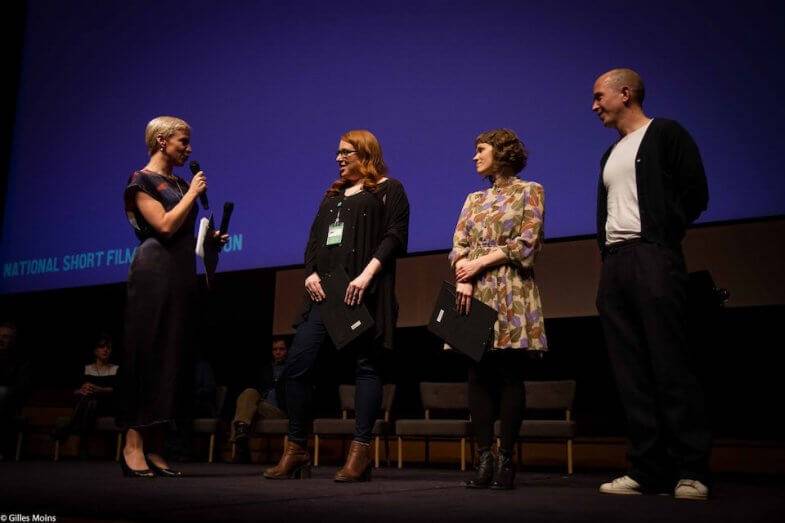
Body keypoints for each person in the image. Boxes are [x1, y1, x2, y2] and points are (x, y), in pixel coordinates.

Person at [591, 68, 712, 500]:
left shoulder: (665, 134)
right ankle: (646, 469)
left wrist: (663, 234)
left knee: (669, 363)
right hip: (617, 264)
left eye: (599, 96)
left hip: (654, 256)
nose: (594, 105)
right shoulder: (611, 154)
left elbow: (696, 193)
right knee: (630, 372)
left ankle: (691, 471)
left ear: (625, 94)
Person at [264, 129, 409, 482]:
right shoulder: (332, 197)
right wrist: (309, 273)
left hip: (363, 293)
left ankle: (359, 454)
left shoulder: (388, 190)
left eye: (346, 152)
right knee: (297, 367)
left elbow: (395, 237)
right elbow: (314, 242)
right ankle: (296, 449)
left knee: (366, 369)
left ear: (366, 154)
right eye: (338, 153)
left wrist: (366, 277)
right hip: (323, 295)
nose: (338, 158)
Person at [118, 116, 226, 478]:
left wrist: (209, 241)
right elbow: (163, 225)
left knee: (173, 358)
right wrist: (194, 194)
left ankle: (156, 445)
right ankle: (132, 445)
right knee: (146, 353)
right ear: (162, 141)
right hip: (153, 271)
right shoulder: (141, 180)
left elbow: (181, 230)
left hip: (181, 272)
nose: (189, 148)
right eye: (183, 141)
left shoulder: (179, 181)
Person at [449, 129, 547, 490]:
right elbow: (458, 242)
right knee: (476, 375)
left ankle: (507, 459)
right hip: (474, 291)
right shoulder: (473, 199)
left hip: (511, 288)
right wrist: (463, 275)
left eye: (481, 150)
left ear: (502, 153)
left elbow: (527, 243)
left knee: (508, 374)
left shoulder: (529, 191)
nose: (474, 157)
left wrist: (479, 263)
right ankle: (484, 459)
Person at [53, 333, 119, 457]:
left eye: (108, 347)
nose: (105, 350)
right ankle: (81, 442)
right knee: (89, 401)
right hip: (88, 403)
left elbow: (117, 391)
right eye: (102, 347)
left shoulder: (116, 369)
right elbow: (74, 391)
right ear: (95, 350)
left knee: (90, 401)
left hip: (107, 405)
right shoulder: (85, 369)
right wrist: (82, 390)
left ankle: (68, 429)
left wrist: (99, 389)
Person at [230, 337, 288, 464]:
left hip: (279, 412)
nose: (278, 352)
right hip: (262, 409)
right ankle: (242, 433)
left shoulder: (292, 369)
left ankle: (241, 447)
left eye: (281, 349)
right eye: (275, 349)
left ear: (287, 351)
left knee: (245, 406)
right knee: (248, 395)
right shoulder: (266, 370)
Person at [0, 321, 31, 461]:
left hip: (11, 401)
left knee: (2, 392)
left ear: (13, 340)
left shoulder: (21, 360)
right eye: (0, 336)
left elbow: (21, 386)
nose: (1, 339)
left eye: (5, 337)